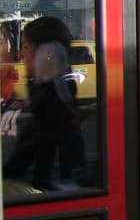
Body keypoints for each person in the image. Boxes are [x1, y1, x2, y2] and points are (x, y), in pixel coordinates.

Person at [2, 16, 85, 191]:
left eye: (26, 47)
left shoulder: (52, 97)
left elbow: (30, 146)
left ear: (47, 53)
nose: (22, 55)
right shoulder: (57, 87)